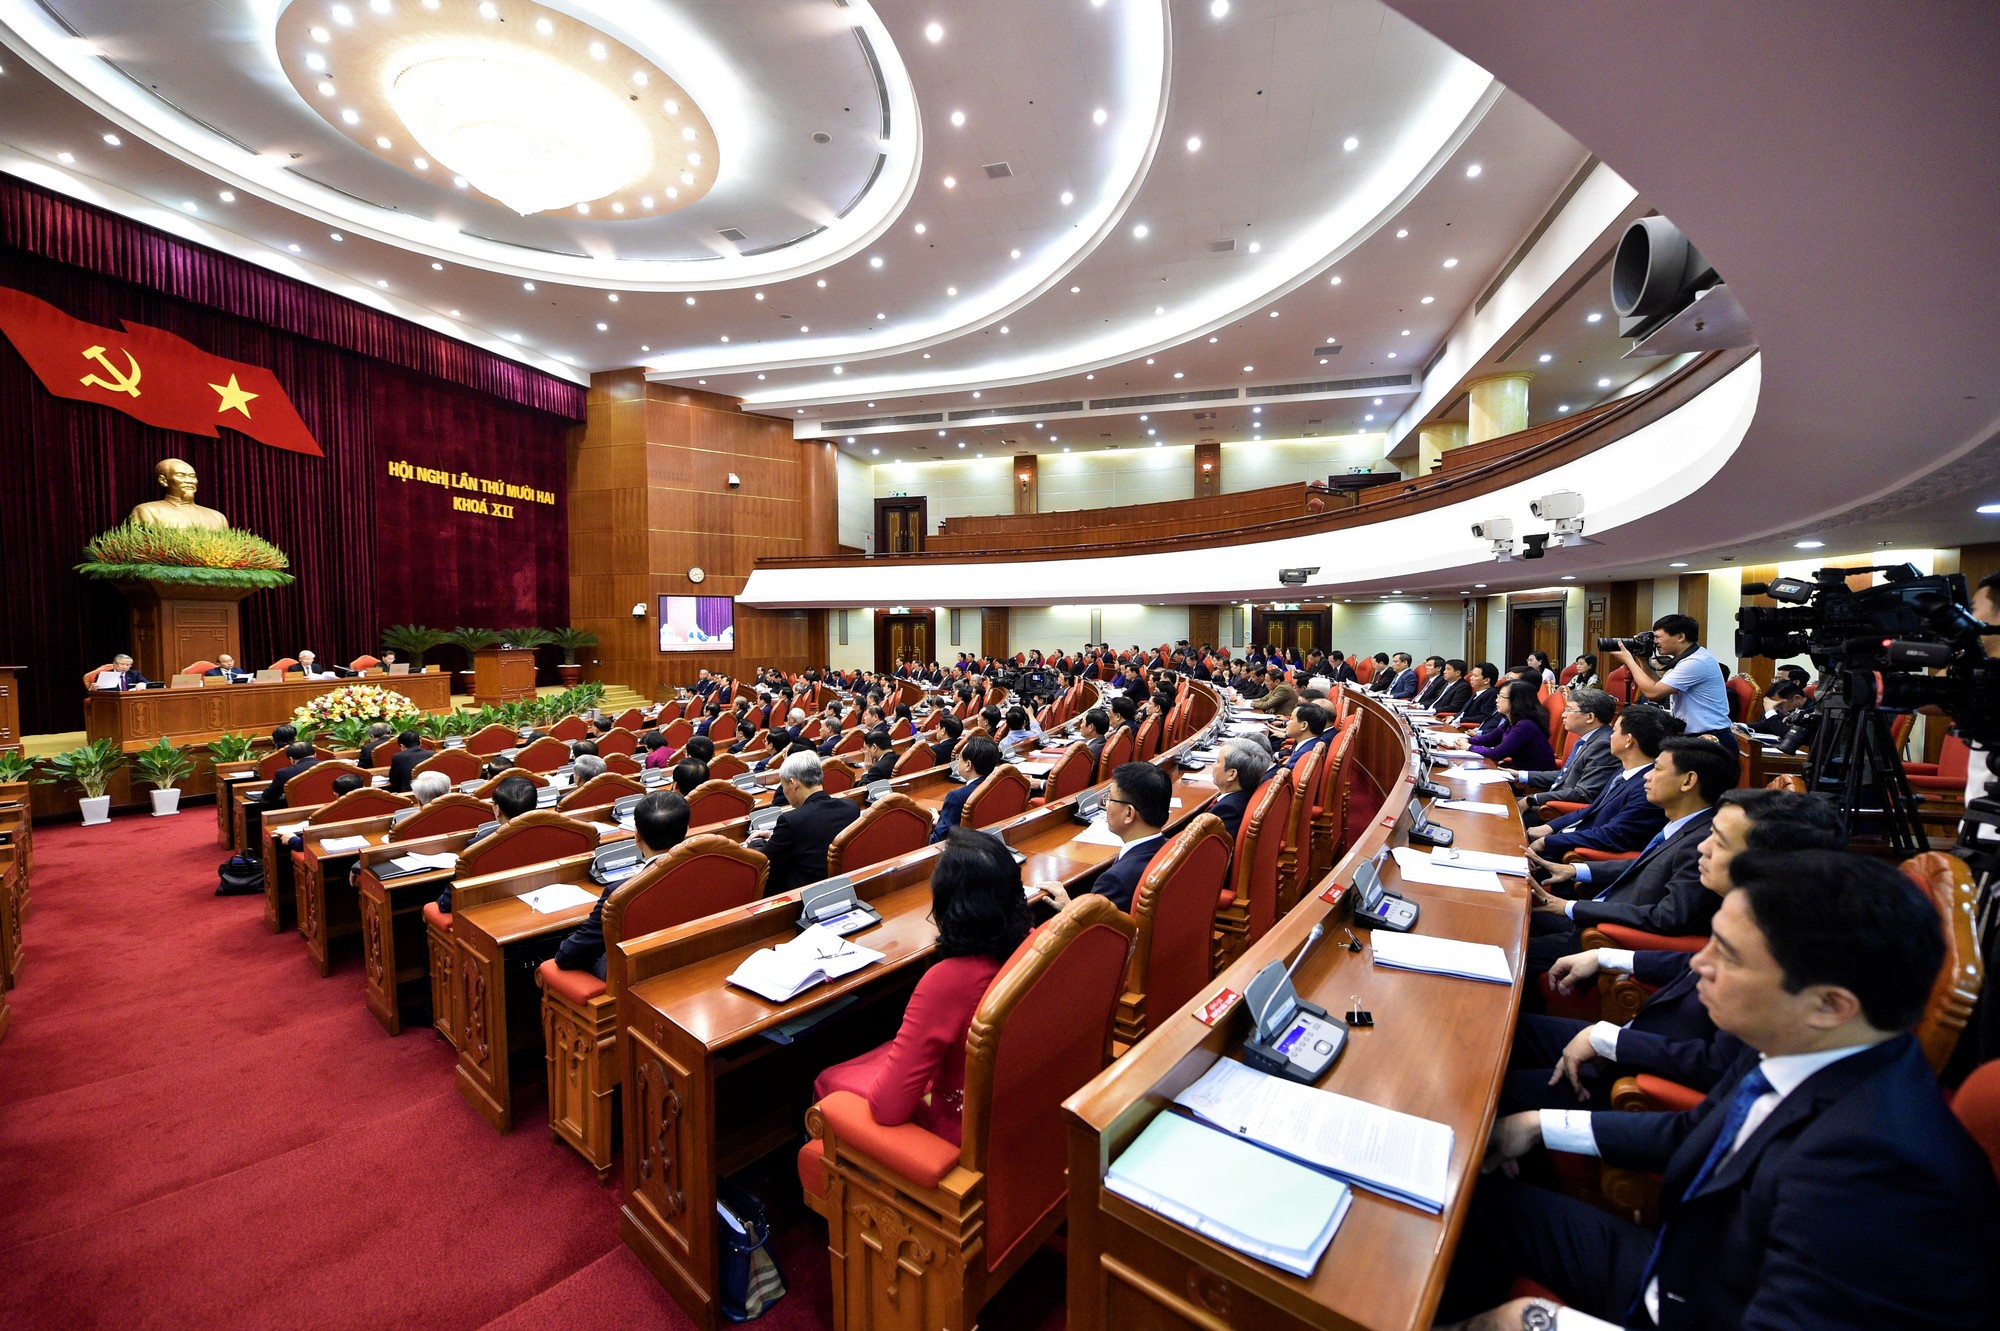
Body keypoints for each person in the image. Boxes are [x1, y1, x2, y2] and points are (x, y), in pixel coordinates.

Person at [1442, 850, 2000, 1331]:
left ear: (1831, 1004)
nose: (1698, 964)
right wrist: (1536, 1124)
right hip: (1688, 1265)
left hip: (1699, 1304)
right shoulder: (1802, 1043)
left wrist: (1542, 1321)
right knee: (1468, 1201)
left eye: (1727, 955)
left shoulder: (1872, 1173)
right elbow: (1693, 1128)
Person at [1503, 788, 1847, 1112]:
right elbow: (1692, 961)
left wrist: (1609, 1041)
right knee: (1503, 1030)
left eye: (1719, 841)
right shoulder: (1752, 913)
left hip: (1636, 1081)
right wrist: (1604, 956)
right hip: (1632, 1039)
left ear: (1767, 862)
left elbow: (1715, 1067)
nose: (1702, 848)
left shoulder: (1789, 959)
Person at [811, 828, 1032, 1144]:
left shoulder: (949, 980)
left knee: (828, 1081)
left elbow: (887, 1108)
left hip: (961, 1138)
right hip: (1019, 1109)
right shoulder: (1033, 941)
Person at [1525, 736, 1738, 968]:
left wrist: (1568, 906)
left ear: (1688, 781)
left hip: (1608, 939)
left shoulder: (1704, 843)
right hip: (1596, 916)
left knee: (1515, 948)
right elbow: (1648, 865)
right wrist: (1574, 870)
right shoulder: (1686, 824)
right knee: (1517, 912)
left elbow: (1667, 916)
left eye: (1657, 769)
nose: (1647, 776)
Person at [553, 791, 691, 981]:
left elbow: (568, 956)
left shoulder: (622, 892)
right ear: (686, 830)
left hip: (632, 978)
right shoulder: (708, 873)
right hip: (689, 962)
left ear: (637, 835)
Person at [1527, 707, 1679, 857]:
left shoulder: (1648, 788)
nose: (1610, 736)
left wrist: (1547, 842)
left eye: (1615, 731)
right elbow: (1593, 809)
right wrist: (1550, 827)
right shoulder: (1624, 770)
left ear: (1629, 740)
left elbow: (1612, 836)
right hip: (1569, 837)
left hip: (1579, 854)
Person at [1040, 762, 1171, 912]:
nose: (1105, 805)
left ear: (1129, 813)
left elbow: (1097, 927)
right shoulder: (1170, 848)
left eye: (1110, 798)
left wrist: (1069, 908)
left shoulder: (1115, 881)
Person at [747, 751, 859, 897]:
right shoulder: (851, 808)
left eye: (783, 785)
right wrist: (775, 835)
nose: (784, 791)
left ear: (793, 783)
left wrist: (756, 842)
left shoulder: (791, 820)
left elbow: (762, 861)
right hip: (844, 888)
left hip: (803, 896)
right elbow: (816, 833)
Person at [1612, 613, 1734, 746]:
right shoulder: (1688, 658)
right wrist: (1643, 660)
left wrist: (1629, 660)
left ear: (1680, 637)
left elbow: (1653, 693)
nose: (1655, 642)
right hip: (1696, 737)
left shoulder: (1696, 662)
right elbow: (1658, 684)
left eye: (1658, 637)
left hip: (1711, 739)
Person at [437, 775, 540, 912]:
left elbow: (448, 902)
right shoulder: (553, 834)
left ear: (497, 810)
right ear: (535, 806)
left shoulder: (478, 845)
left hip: (490, 909)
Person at [1516, 688, 1620, 815]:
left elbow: (1584, 793)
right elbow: (1567, 774)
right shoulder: (1589, 738)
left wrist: (1534, 798)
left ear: (1590, 717)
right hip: (1552, 800)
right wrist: (1520, 775)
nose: (1563, 715)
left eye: (1569, 710)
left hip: (1562, 811)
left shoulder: (1603, 745)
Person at [1462, 681, 1557, 769]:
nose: (1497, 700)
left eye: (1501, 696)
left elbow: (1497, 754)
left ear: (1517, 700)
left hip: (1530, 777)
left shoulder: (1525, 725)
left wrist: (1469, 747)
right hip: (1516, 771)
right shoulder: (1512, 721)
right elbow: (1489, 739)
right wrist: (1466, 740)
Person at [931, 737, 1000, 843]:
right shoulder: (998, 787)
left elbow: (940, 839)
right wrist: (941, 820)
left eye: (959, 757)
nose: (958, 760)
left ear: (968, 765)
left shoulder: (957, 797)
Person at [1210, 737, 1274, 840]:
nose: (1213, 765)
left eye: (1217, 761)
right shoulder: (1245, 795)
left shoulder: (1227, 810)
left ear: (1232, 774)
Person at [255, 742, 318, 812]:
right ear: (315, 755)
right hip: (325, 811)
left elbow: (268, 796)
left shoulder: (284, 773)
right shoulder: (328, 767)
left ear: (291, 759)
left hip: (298, 813)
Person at [1279, 702, 1333, 771]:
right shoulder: (1315, 742)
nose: (1287, 723)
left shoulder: (1304, 755)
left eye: (1291, 719)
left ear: (1304, 725)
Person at [85, 653, 152, 691]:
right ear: (114, 664)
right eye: (122, 664)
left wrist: (142, 684)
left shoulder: (134, 674)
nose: (125, 667)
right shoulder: (105, 675)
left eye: (128, 665)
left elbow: (147, 682)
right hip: (112, 700)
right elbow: (97, 690)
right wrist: (92, 689)